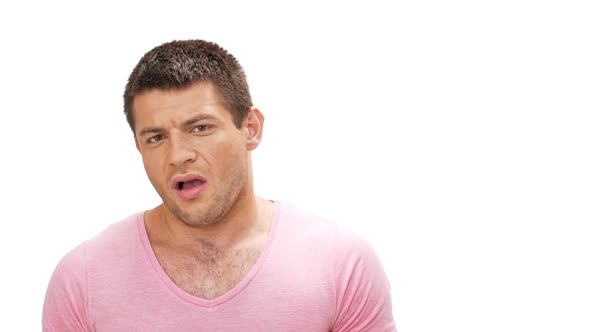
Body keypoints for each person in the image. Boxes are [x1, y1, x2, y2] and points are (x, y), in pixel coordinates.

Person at [42, 39, 396, 331]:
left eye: (200, 128)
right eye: (155, 138)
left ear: (250, 128)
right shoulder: (83, 278)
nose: (178, 155)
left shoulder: (340, 263)